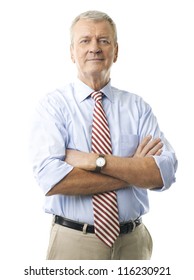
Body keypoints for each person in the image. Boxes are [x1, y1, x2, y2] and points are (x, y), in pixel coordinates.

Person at [29, 10, 178, 260]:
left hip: (134, 244)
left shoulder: (138, 107)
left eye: (104, 41)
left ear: (116, 51)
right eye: (85, 40)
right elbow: (52, 180)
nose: (94, 48)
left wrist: (96, 161)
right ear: (72, 52)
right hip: (74, 242)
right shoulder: (53, 106)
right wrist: (133, 170)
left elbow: (164, 173)